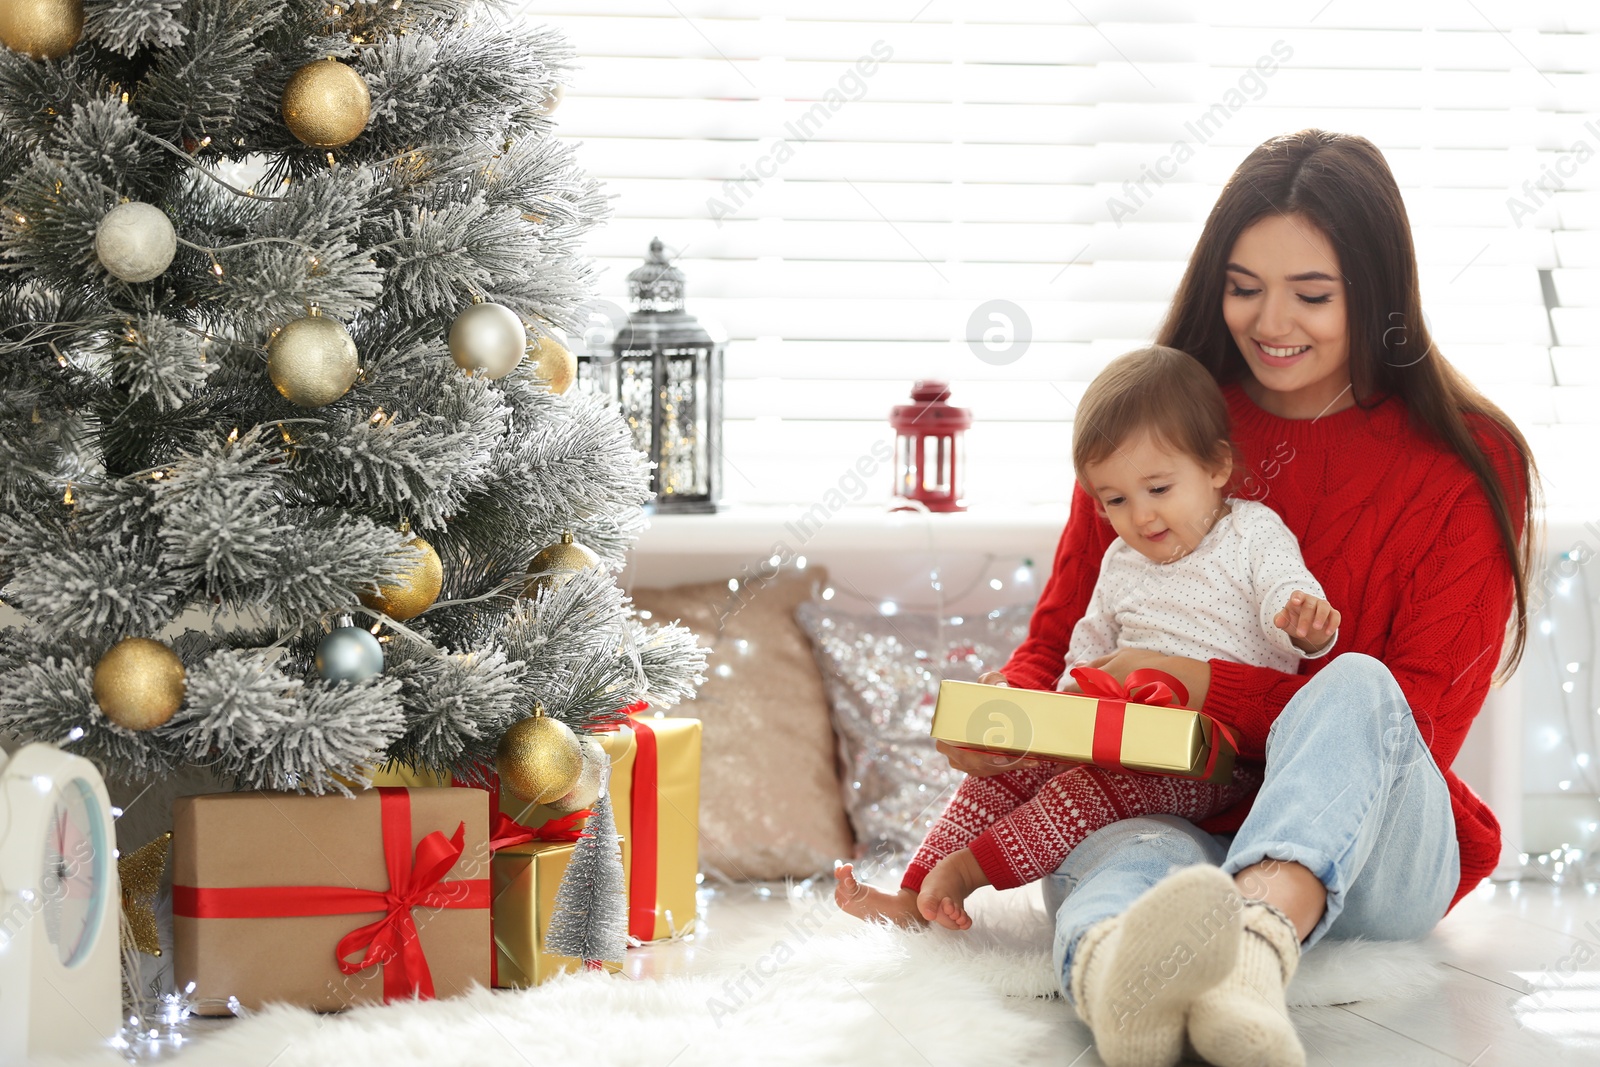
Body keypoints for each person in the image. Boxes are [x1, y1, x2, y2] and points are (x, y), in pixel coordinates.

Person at [886, 128, 1535, 1067]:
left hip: (1379, 839)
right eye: (1243, 286)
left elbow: (1410, 735)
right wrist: (1007, 716)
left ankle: (1255, 955)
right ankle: (1119, 983)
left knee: (1354, 680)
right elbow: (1063, 634)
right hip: (1168, 799)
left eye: (1312, 294)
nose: (1271, 321)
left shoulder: (1471, 462)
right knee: (1120, 847)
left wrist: (1198, 684)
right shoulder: (1155, 423)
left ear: (1380, 291)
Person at [834, 344, 1342, 932]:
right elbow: (1085, 650)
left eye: (1158, 488)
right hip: (1117, 732)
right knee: (1004, 772)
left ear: (1216, 468)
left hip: (1215, 764)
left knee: (1083, 791)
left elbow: (1288, 590)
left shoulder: (1252, 532)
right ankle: (914, 892)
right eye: (1116, 500)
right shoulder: (1121, 560)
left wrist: (1305, 624)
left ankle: (970, 873)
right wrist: (1040, 719)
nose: (1142, 516)